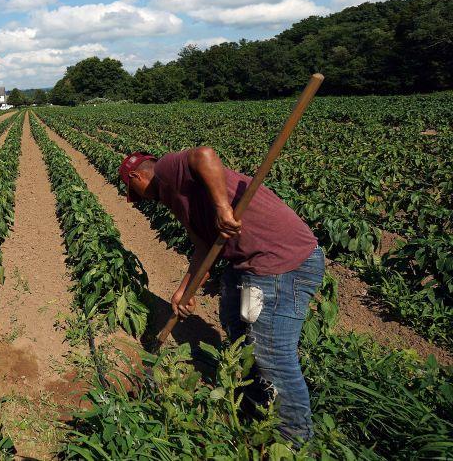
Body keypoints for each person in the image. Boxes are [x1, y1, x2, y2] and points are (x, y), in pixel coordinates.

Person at [120, 147, 323, 444]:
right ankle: (255, 406)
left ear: (137, 176)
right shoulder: (178, 201)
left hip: (279, 260)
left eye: (134, 190)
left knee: (273, 354)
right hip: (247, 263)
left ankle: (295, 441)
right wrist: (184, 290)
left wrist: (222, 206)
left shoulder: (165, 169)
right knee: (234, 322)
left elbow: (204, 155)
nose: (139, 199)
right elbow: (203, 247)